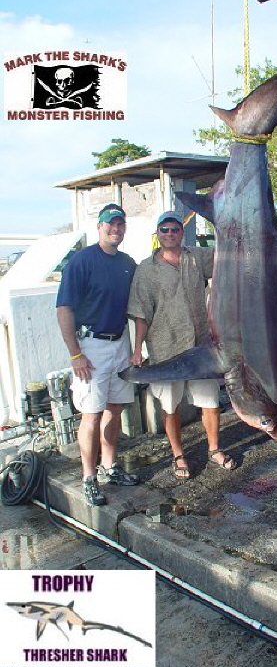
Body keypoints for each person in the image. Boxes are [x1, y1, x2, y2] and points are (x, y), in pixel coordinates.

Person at [128, 211, 236, 480]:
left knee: (210, 401)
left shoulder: (196, 257)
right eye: (164, 230)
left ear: (182, 233)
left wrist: (226, 224)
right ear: (158, 234)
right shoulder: (146, 269)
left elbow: (226, 256)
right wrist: (137, 349)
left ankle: (214, 449)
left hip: (200, 346)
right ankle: (178, 454)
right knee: (169, 406)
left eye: (175, 229)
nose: (170, 234)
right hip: (166, 347)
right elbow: (141, 313)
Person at [56, 204, 139, 508]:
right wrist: (75, 354)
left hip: (120, 343)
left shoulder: (128, 263)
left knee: (115, 409)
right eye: (110, 224)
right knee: (91, 415)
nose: (115, 229)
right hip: (90, 347)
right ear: (99, 227)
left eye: (120, 224)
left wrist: (136, 348)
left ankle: (109, 466)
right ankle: (89, 477)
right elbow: (64, 308)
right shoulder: (81, 261)